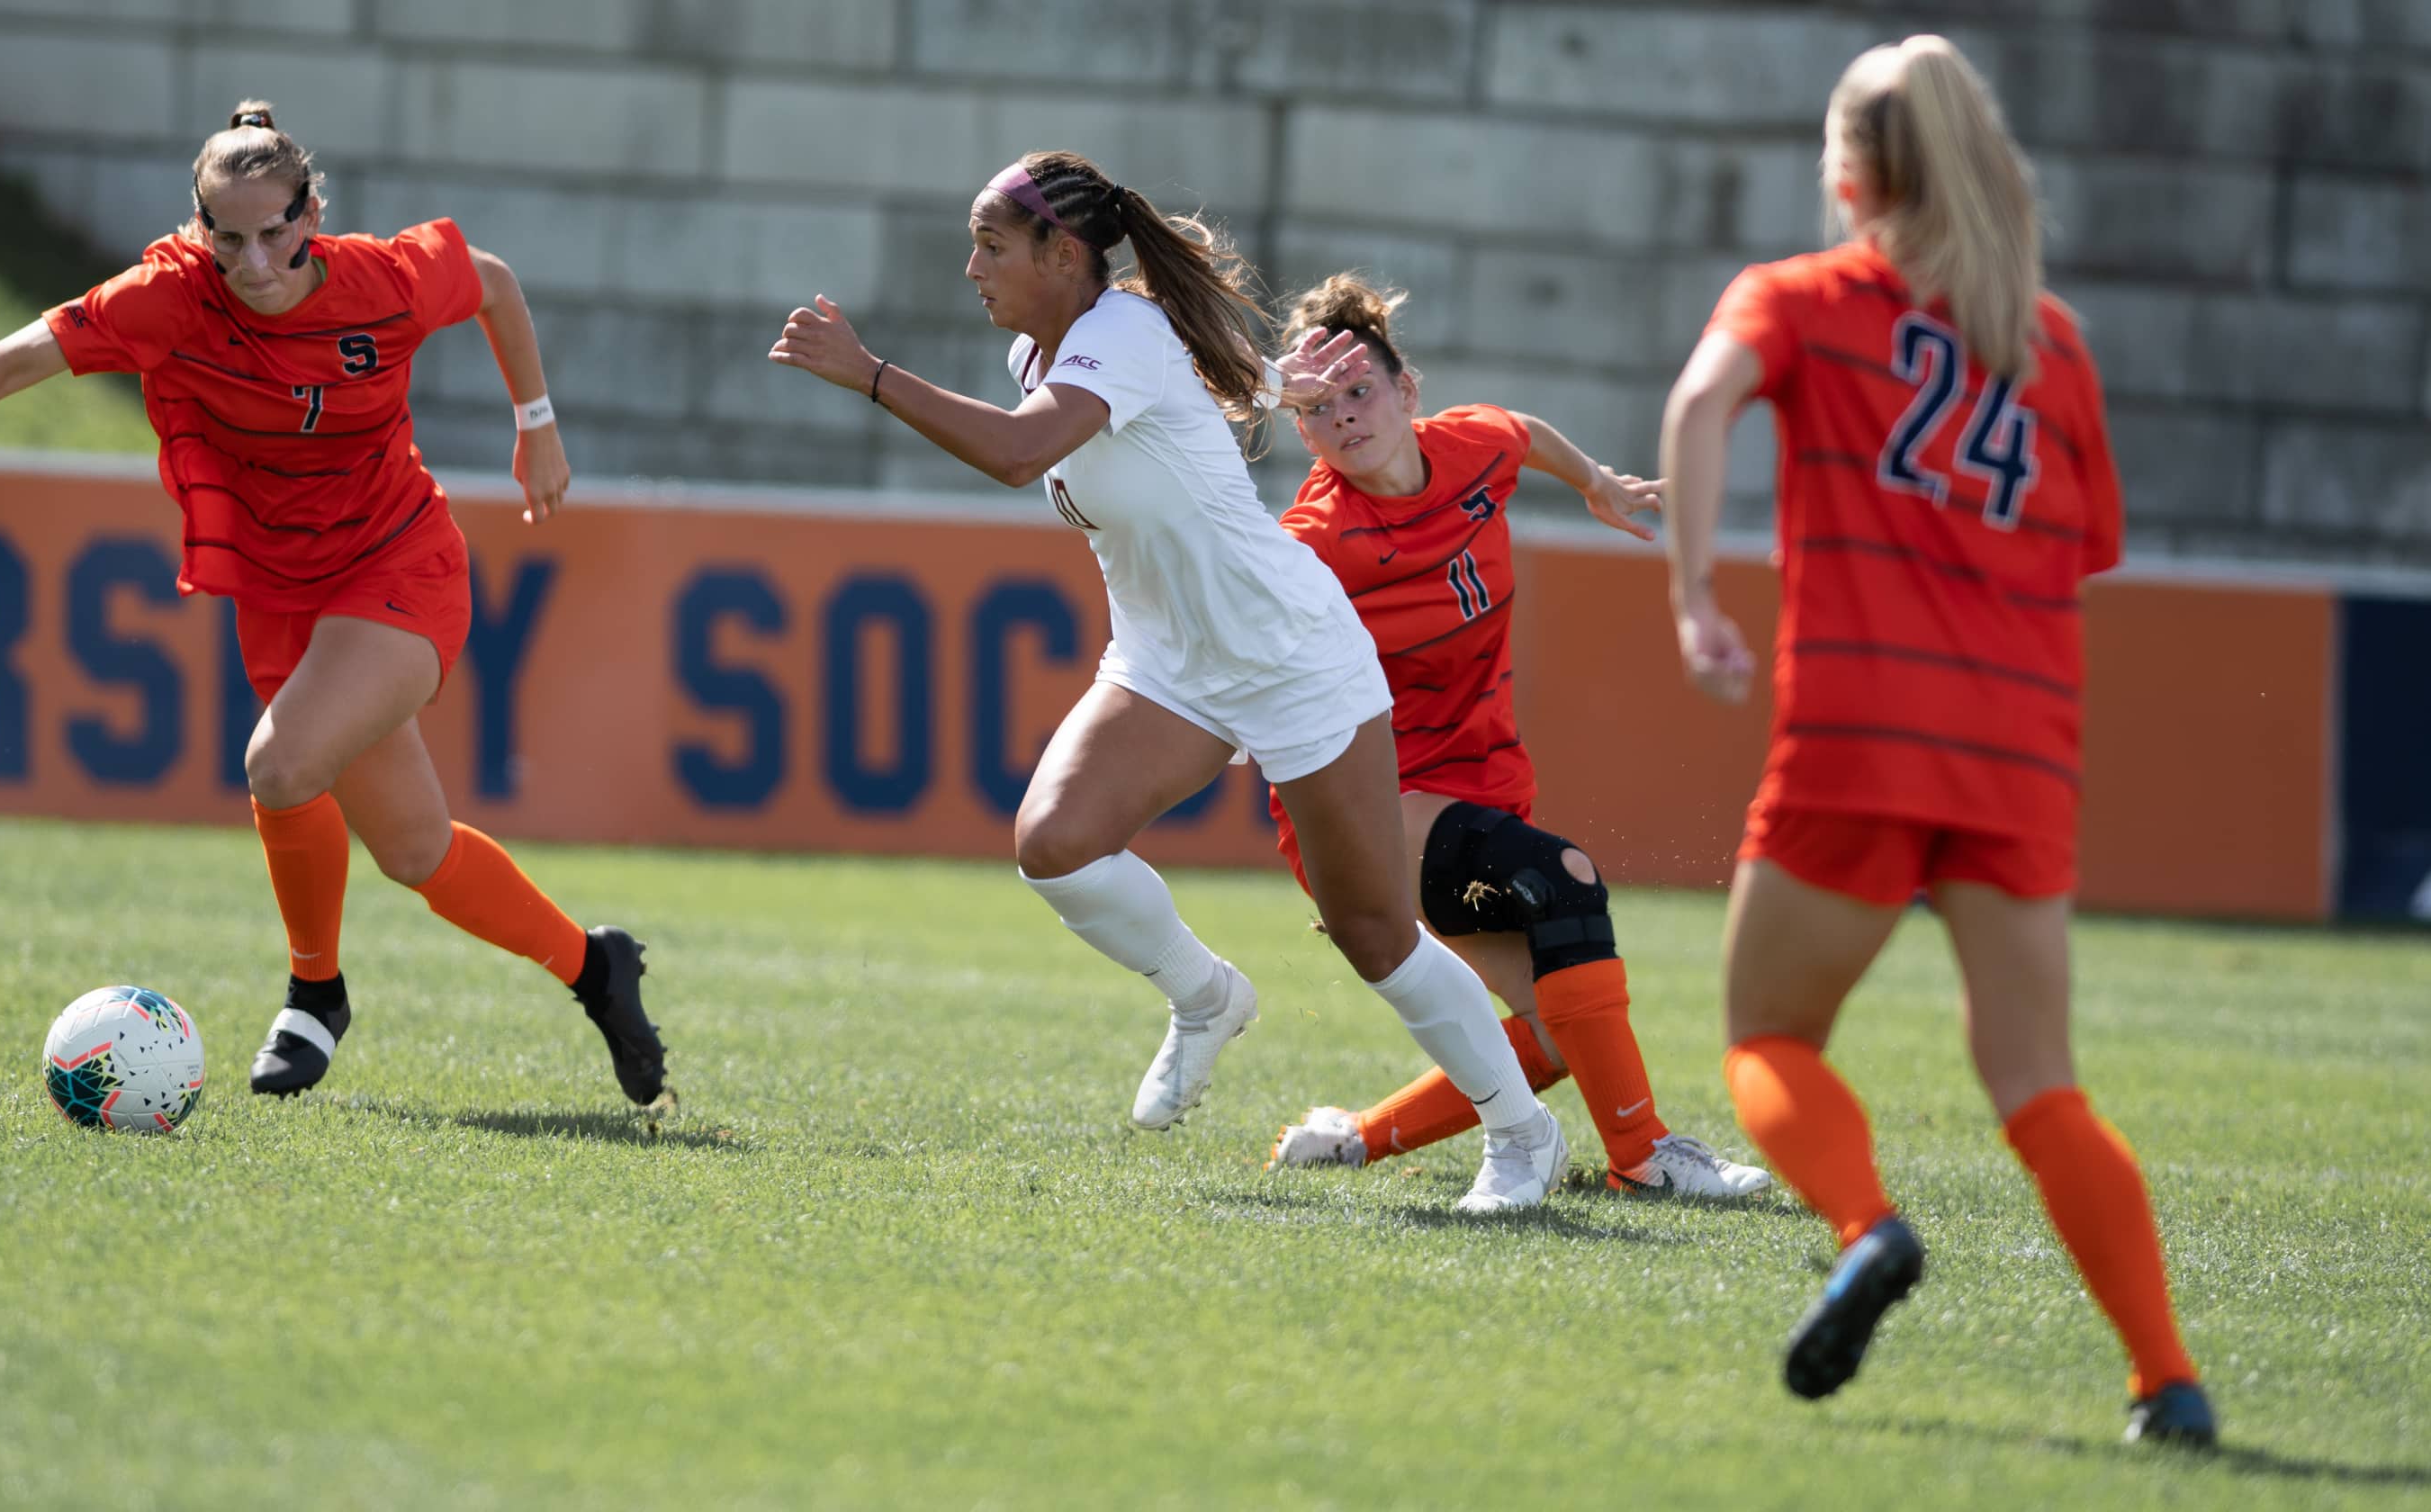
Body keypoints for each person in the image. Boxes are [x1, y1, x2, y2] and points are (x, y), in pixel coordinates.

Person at [769, 149, 1570, 1212]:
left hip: (1286, 652)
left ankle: (1524, 1134)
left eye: (992, 244)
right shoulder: (1051, 348)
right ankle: (1205, 997)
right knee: (1053, 846)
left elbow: (1021, 455)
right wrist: (1285, 381)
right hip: (1166, 660)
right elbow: (1223, 371)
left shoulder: (1123, 335)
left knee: (1375, 935)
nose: (972, 267)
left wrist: (869, 373)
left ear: (1064, 255)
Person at [0, 103, 666, 1107]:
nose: (255, 260)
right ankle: (595, 968)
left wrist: (536, 422)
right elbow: (11, 357)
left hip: (399, 562)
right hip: (279, 587)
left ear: (312, 211)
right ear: (197, 226)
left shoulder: (383, 277)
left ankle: (314, 991)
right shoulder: (167, 298)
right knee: (416, 853)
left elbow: (493, 284)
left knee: (278, 765)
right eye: (227, 236)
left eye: (277, 230)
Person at [1656, 38, 2214, 1444]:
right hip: (2021, 743)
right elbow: (2086, 550)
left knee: (1768, 1034)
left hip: (1861, 722)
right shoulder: (2053, 339)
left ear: (1847, 174)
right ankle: (2167, 1378)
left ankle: (1867, 1229)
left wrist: (1695, 596)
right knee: (2038, 1083)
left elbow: (1699, 401)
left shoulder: (1801, 298)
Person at [1260, 273, 1770, 1201]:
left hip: (1479, 783)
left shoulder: (1473, 446)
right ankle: (1646, 1157)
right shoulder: (1315, 537)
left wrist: (1600, 484)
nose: (1344, 417)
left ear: (1408, 389)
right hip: (1362, 807)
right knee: (1563, 876)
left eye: (1361, 390)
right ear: (1299, 427)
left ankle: (1355, 1142)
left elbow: (1525, 434)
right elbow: (1233, 596)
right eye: (1319, 406)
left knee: (1555, 1030)